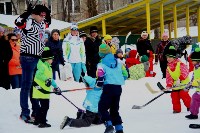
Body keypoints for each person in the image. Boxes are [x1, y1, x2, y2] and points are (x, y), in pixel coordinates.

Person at [15, 4, 51, 123]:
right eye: (40, 15)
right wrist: (27, 13)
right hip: (27, 57)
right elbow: (18, 22)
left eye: (43, 16)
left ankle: (36, 110)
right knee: (26, 85)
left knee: (34, 85)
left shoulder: (41, 23)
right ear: (35, 14)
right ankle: (24, 112)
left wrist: (47, 13)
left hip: (37, 58)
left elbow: (47, 22)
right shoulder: (29, 22)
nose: (42, 18)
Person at [97, 43, 128, 133]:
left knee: (102, 108)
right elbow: (125, 74)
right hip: (118, 88)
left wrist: (97, 87)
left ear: (101, 54)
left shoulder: (101, 64)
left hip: (108, 88)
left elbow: (100, 80)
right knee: (114, 110)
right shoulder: (118, 61)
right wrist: (118, 79)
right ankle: (119, 129)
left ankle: (109, 125)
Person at [32, 47, 60, 128]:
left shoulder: (48, 67)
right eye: (51, 59)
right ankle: (42, 122)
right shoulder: (42, 66)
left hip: (44, 90)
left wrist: (56, 87)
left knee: (43, 106)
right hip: (41, 90)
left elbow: (51, 79)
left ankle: (37, 120)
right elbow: (38, 75)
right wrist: (46, 79)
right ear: (47, 59)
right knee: (45, 106)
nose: (52, 60)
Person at [165, 46, 191, 113]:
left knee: (184, 95)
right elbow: (169, 77)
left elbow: (185, 72)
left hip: (184, 84)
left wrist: (180, 79)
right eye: (167, 57)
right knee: (174, 97)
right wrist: (169, 84)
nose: (168, 59)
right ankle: (176, 109)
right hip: (176, 86)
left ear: (174, 57)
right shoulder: (168, 67)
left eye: (170, 57)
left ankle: (190, 106)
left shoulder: (180, 64)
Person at [186, 48, 200, 129]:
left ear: (198, 60)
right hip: (199, 90)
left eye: (193, 60)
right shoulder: (196, 68)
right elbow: (194, 78)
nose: (192, 62)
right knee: (195, 98)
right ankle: (194, 114)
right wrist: (190, 84)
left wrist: (196, 83)